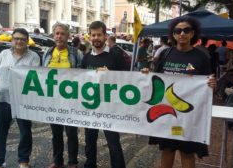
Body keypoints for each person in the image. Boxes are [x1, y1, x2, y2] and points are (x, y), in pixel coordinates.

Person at [145, 17, 216, 168]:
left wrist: (212, 84)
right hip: (167, 114)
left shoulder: (201, 57)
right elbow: (155, 80)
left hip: (189, 115)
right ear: (173, 34)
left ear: (193, 34)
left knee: (187, 153)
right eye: (178, 30)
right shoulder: (165, 54)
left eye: (186, 30)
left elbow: (209, 82)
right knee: (167, 150)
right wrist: (145, 75)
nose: (182, 33)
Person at [0, 28, 40, 168]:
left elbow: (36, 79)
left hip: (23, 102)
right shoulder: (3, 54)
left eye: (22, 39)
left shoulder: (34, 57)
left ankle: (23, 161)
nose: (19, 41)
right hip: (2, 99)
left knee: (25, 132)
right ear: (12, 40)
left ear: (27, 41)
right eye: (16, 38)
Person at [81, 21, 128, 168]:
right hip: (91, 106)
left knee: (113, 142)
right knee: (89, 141)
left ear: (105, 36)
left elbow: (127, 80)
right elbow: (81, 80)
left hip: (110, 107)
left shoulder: (116, 55)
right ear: (90, 36)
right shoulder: (86, 57)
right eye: (93, 35)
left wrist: (111, 76)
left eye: (99, 35)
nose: (96, 38)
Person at [42, 23, 82, 168]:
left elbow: (82, 77)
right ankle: (57, 161)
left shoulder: (76, 53)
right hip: (53, 102)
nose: (59, 36)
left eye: (62, 33)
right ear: (53, 35)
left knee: (71, 133)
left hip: (71, 101)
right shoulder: (47, 53)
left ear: (68, 36)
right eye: (57, 33)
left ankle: (73, 162)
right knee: (56, 134)